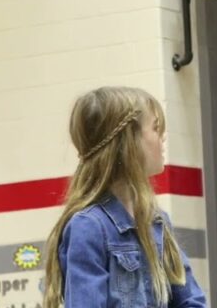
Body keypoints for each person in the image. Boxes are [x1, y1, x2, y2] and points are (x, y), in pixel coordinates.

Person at [43, 86, 206, 308]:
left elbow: (191, 300)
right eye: (156, 128)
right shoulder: (89, 227)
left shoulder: (158, 222)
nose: (163, 136)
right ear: (129, 141)